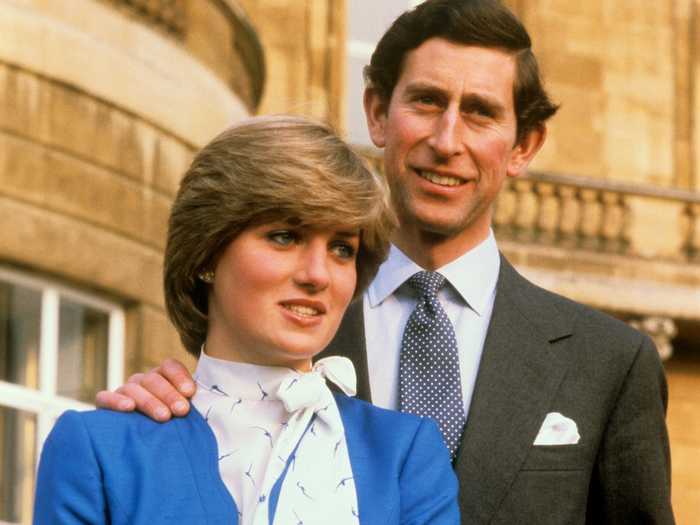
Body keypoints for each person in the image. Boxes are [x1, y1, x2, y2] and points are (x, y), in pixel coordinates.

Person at [96, 1, 675, 523]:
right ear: (376, 111)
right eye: (427, 101)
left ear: (523, 145)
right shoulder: (286, 312)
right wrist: (165, 405)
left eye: (479, 112)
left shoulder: (609, 364)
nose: (447, 140)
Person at [33, 115, 459, 524]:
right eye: (285, 237)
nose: (317, 274)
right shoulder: (100, 450)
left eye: (341, 249)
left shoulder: (404, 455)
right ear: (207, 255)